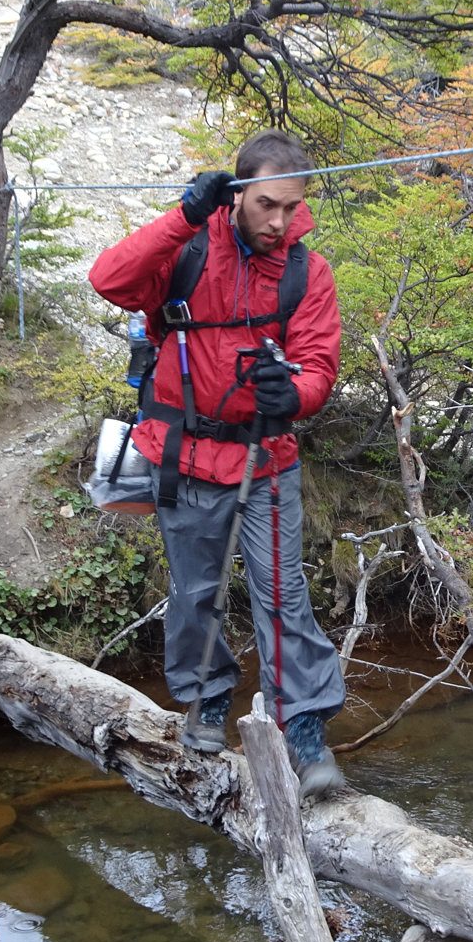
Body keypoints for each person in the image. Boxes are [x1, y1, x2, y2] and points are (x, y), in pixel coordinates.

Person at [89, 130, 346, 796]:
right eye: (267, 205)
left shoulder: (304, 271)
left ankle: (305, 727)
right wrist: (183, 215)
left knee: (284, 598)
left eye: (292, 208)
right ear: (237, 195)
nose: (280, 222)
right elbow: (109, 280)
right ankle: (206, 699)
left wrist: (291, 392)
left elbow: (318, 365)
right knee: (194, 593)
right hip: (183, 455)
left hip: (267, 460)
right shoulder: (188, 250)